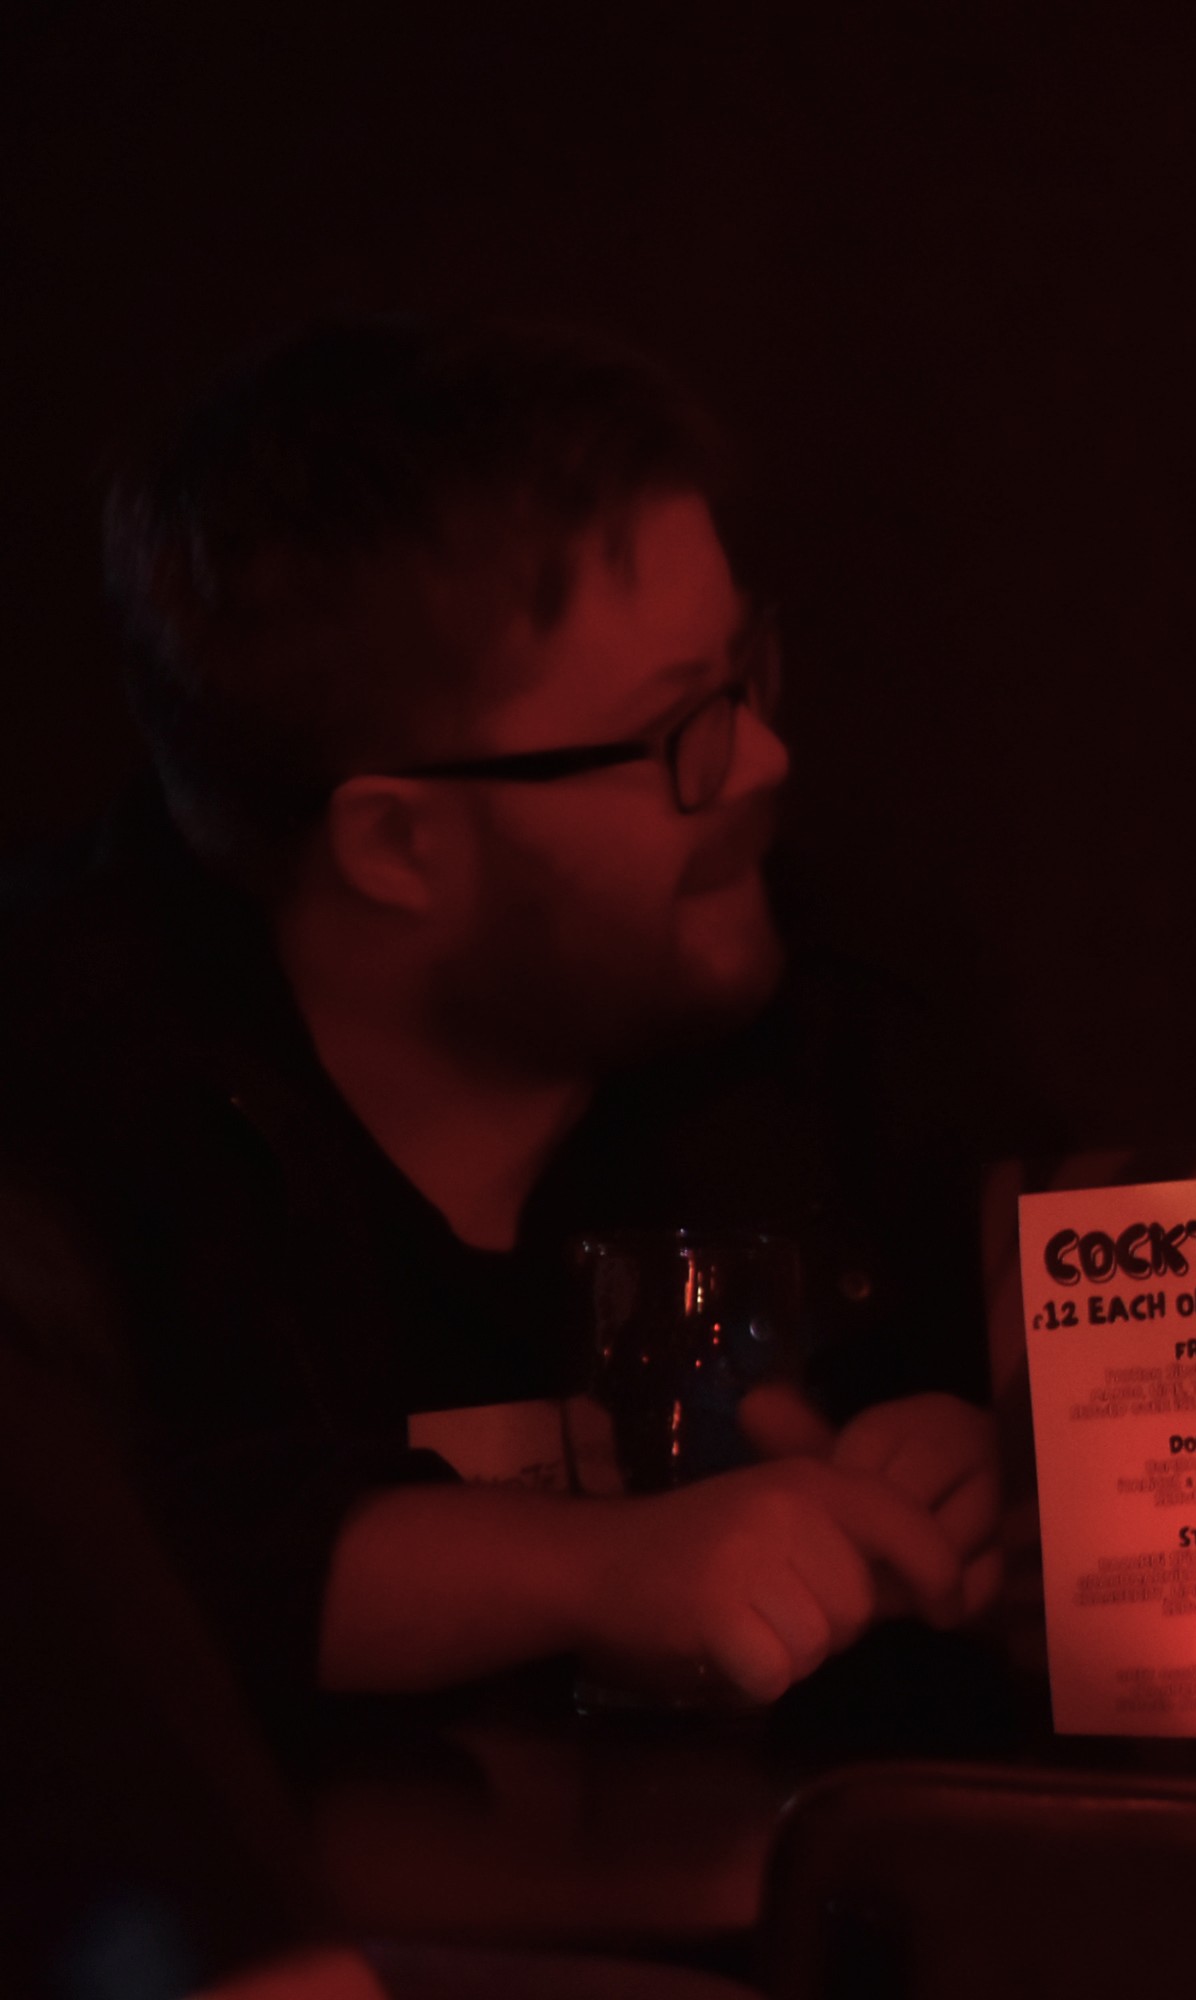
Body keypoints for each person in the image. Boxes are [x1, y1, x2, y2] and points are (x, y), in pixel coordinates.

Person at [0, 319, 1004, 1721]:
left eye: (744, 674)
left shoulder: (825, 1008)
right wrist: (593, 1571)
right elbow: (86, 1573)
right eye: (679, 729)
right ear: (398, 845)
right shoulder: (69, 1092)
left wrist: (995, 1457)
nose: (762, 760)